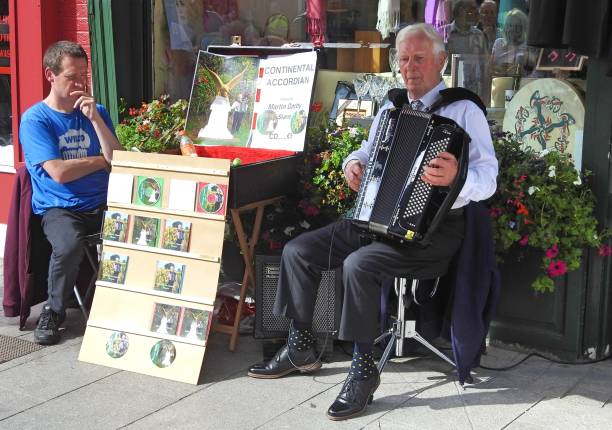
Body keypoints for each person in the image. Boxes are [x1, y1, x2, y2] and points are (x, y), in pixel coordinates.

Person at [247, 23, 498, 421]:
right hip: (374, 220)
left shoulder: (464, 110)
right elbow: (364, 151)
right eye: (403, 59)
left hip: (431, 233)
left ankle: (363, 373)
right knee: (299, 251)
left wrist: (457, 178)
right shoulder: (392, 105)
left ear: (439, 62)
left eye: (418, 59)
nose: (409, 68)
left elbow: (489, 181)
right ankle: (301, 345)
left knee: (358, 266)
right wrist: (354, 165)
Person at [20, 41, 122, 345]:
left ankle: (125, 302)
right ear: (50, 76)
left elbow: (117, 160)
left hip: (103, 201)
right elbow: (59, 173)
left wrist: (95, 120)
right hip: (60, 206)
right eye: (71, 76)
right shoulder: (36, 119)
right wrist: (98, 162)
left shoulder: (97, 111)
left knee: (142, 235)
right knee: (68, 246)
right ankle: (54, 310)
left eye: (83, 76)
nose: (80, 83)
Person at [491, 8, 538, 75]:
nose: (512, 29)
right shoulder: (498, 43)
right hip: (499, 82)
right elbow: (491, 67)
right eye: (509, 25)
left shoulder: (529, 47)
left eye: (517, 26)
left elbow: (533, 72)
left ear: (523, 28)